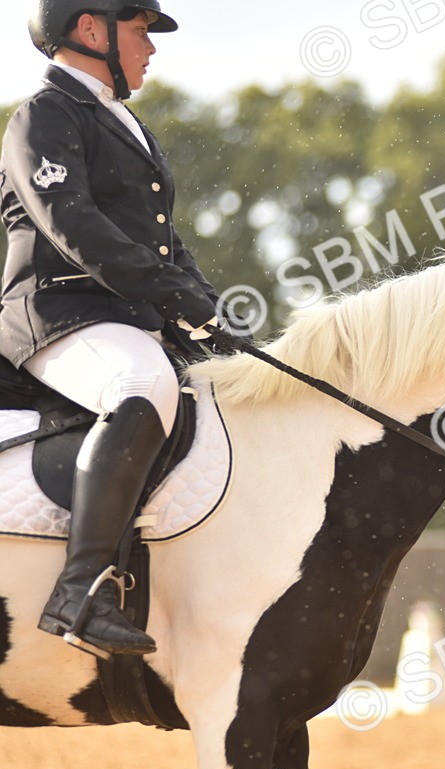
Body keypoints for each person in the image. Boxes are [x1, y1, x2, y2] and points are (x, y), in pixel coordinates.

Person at [0, 0, 220, 658]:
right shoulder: (44, 115)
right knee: (140, 384)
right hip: (59, 315)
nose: (151, 48)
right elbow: (73, 225)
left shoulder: (122, 121)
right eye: (140, 31)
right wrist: (173, 295)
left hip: (123, 316)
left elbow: (161, 240)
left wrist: (209, 309)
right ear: (91, 29)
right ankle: (81, 590)